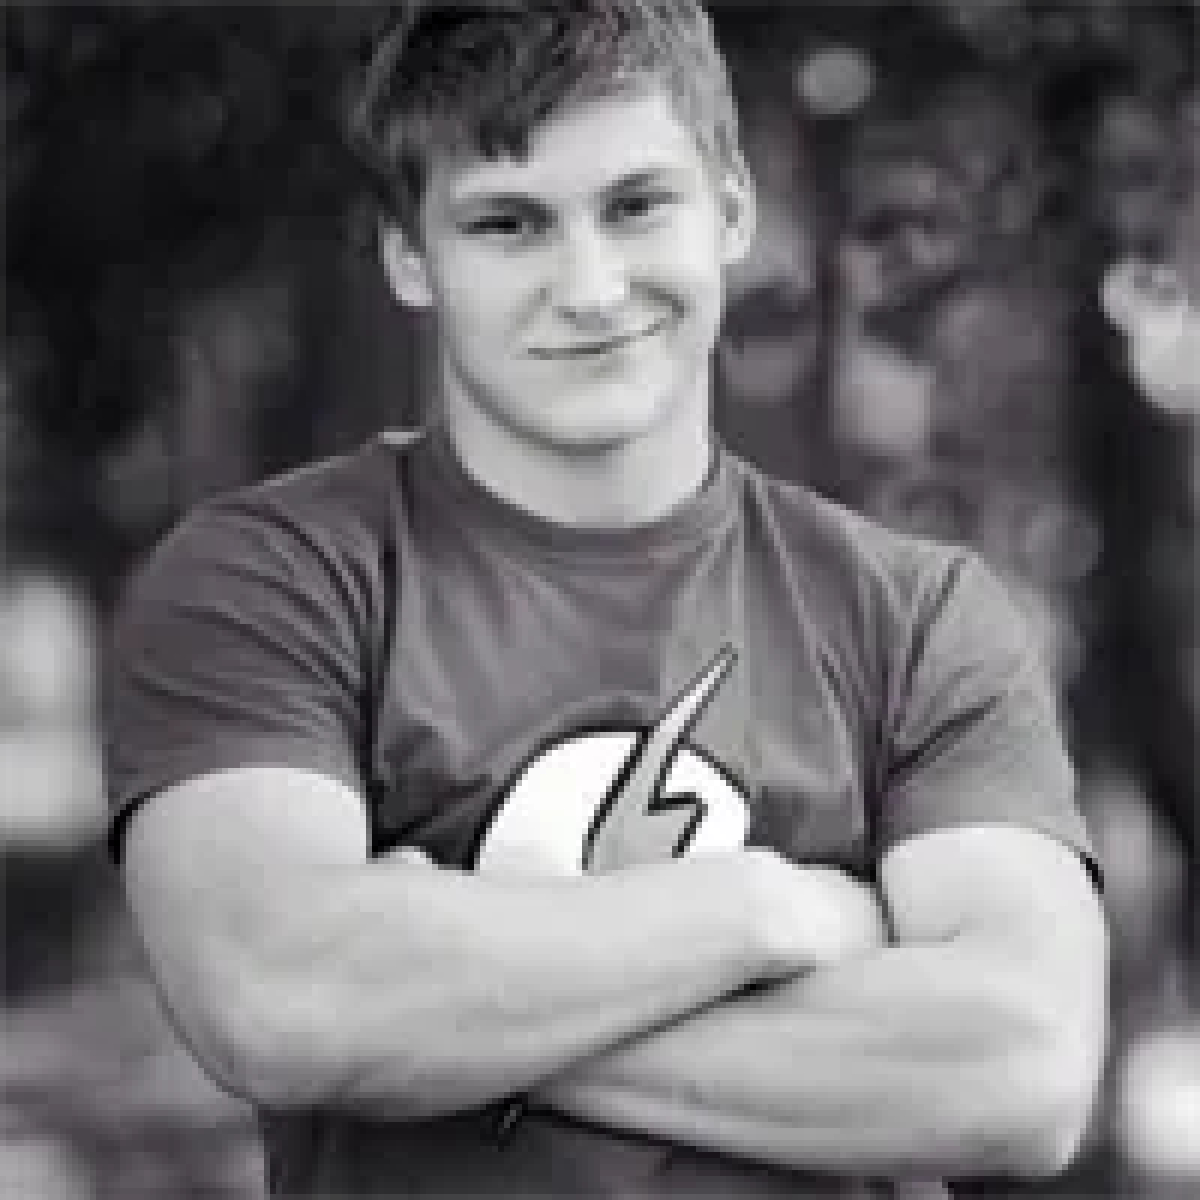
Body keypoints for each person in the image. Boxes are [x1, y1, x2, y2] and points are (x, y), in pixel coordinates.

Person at [104, 4, 1108, 1196]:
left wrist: (442, 1013)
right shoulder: (273, 583)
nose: (588, 288)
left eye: (636, 206)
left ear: (731, 208)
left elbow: (1019, 1072)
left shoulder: (916, 618)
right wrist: (766, 913)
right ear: (410, 257)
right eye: (508, 223)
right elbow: (279, 1000)